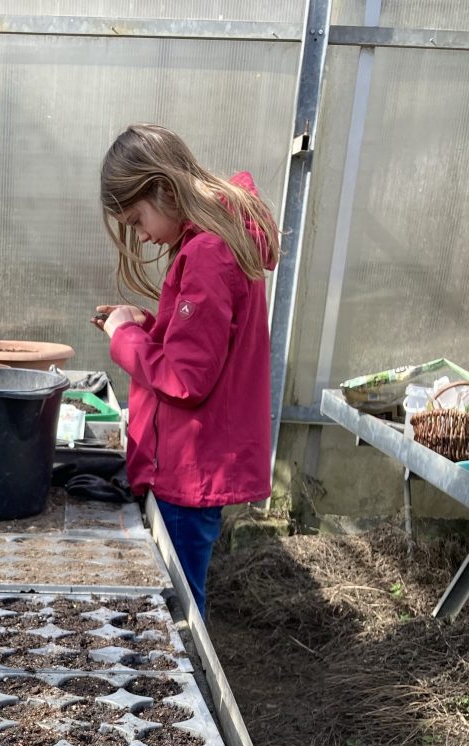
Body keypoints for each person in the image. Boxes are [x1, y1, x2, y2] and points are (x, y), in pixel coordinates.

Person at [96, 123, 280, 614]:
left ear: (163, 188)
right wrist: (150, 325)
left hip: (187, 467)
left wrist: (125, 338)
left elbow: (186, 378)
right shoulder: (221, 241)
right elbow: (209, 347)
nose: (142, 236)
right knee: (180, 596)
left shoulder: (207, 254)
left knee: (177, 607)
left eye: (137, 219)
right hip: (195, 459)